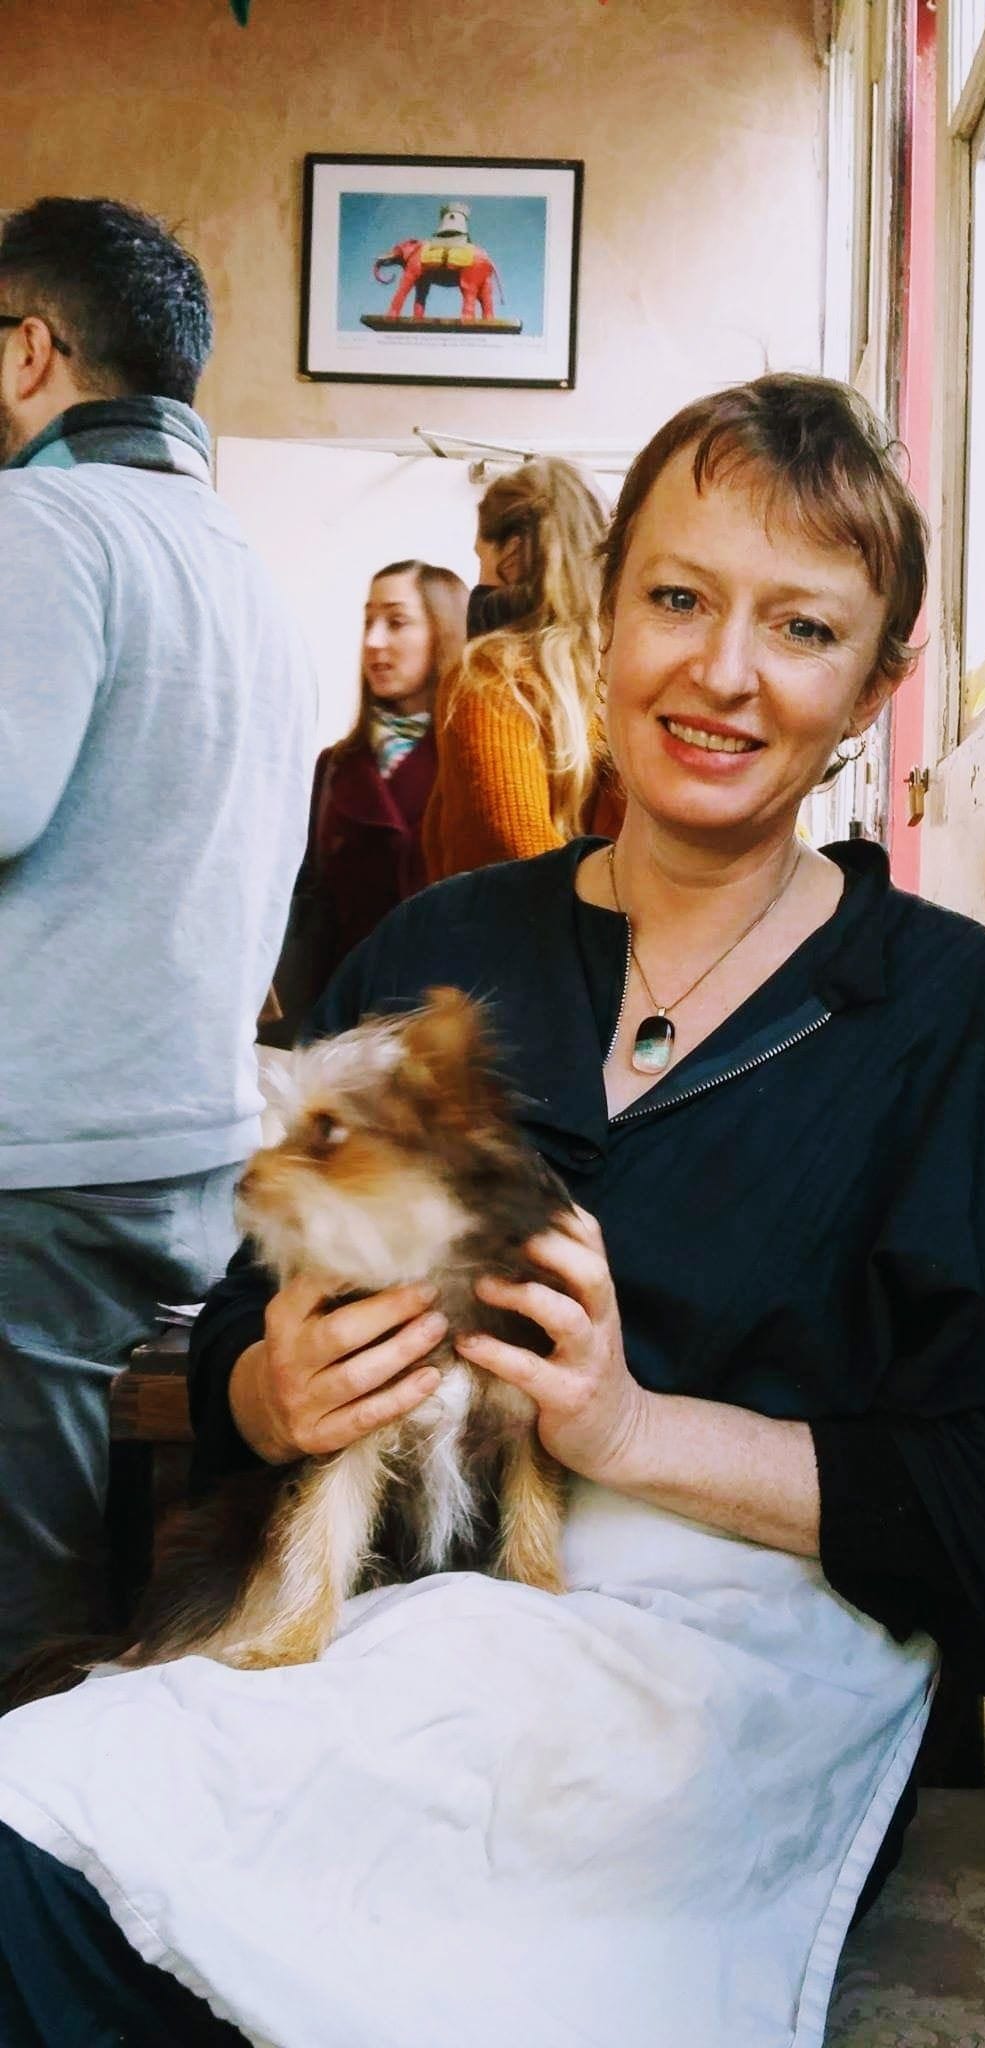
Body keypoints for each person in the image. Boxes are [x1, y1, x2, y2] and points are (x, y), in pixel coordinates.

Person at [0, 373, 985, 2048]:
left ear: (876, 685)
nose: (719, 672)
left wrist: (631, 1425)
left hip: (733, 1674)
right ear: (605, 619)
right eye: (676, 598)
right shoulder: (433, 955)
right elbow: (244, 1309)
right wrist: (268, 1382)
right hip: (390, 1611)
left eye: (798, 628)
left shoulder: (951, 1028)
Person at [0, 197, 315, 1681]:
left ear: (28, 351)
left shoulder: (44, 520)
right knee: (116, 1579)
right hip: (188, 1150)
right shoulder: (251, 569)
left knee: (28, 1605)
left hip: (34, 1165)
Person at [273, 559, 468, 1032]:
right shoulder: (335, 765)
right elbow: (307, 905)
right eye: (368, 622)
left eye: (396, 622)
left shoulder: (473, 761)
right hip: (342, 1031)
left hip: (442, 1032)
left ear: (442, 631)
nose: (374, 642)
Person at [421, 455, 621, 878]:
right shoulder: (618, 669)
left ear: (511, 553)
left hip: (499, 936)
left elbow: (515, 848)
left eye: (480, 556)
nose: (477, 573)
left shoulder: (490, 677)